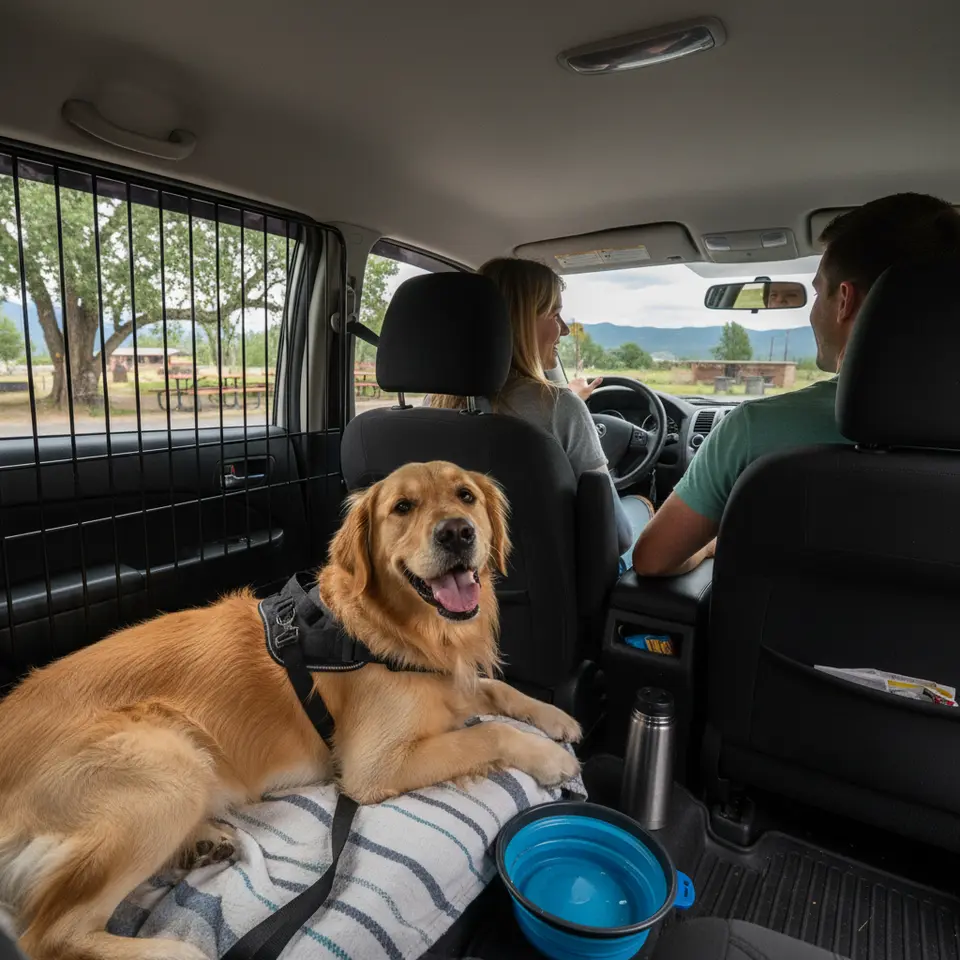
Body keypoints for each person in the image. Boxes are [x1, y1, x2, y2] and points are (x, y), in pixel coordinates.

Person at [632, 192, 960, 577]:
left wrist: (710, 547)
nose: (812, 308)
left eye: (818, 291)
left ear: (844, 301)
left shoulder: (754, 430)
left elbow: (652, 560)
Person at [426, 257, 651, 567]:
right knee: (639, 506)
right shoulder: (560, 409)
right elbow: (618, 536)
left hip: (464, 580)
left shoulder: (431, 408)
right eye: (554, 314)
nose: (564, 331)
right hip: (556, 589)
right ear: (519, 322)